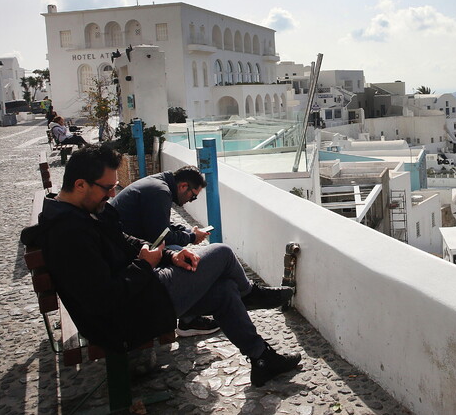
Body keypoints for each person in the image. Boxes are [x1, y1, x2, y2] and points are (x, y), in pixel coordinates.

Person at [20, 145, 301, 387]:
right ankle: (250, 293)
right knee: (223, 254)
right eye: (107, 188)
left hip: (140, 298)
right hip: (123, 319)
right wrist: (145, 265)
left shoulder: (84, 213)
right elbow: (103, 298)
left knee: (226, 290)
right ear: (80, 184)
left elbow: (123, 239)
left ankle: (262, 359)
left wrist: (169, 257)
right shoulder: (69, 233)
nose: (111, 194)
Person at [110, 166, 221, 337]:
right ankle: (189, 320)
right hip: (124, 252)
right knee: (186, 259)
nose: (191, 200)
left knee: (179, 252)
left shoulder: (158, 184)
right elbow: (162, 236)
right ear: (183, 186)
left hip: (124, 245)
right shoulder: (160, 192)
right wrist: (191, 238)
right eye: (193, 196)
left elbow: (162, 225)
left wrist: (189, 231)